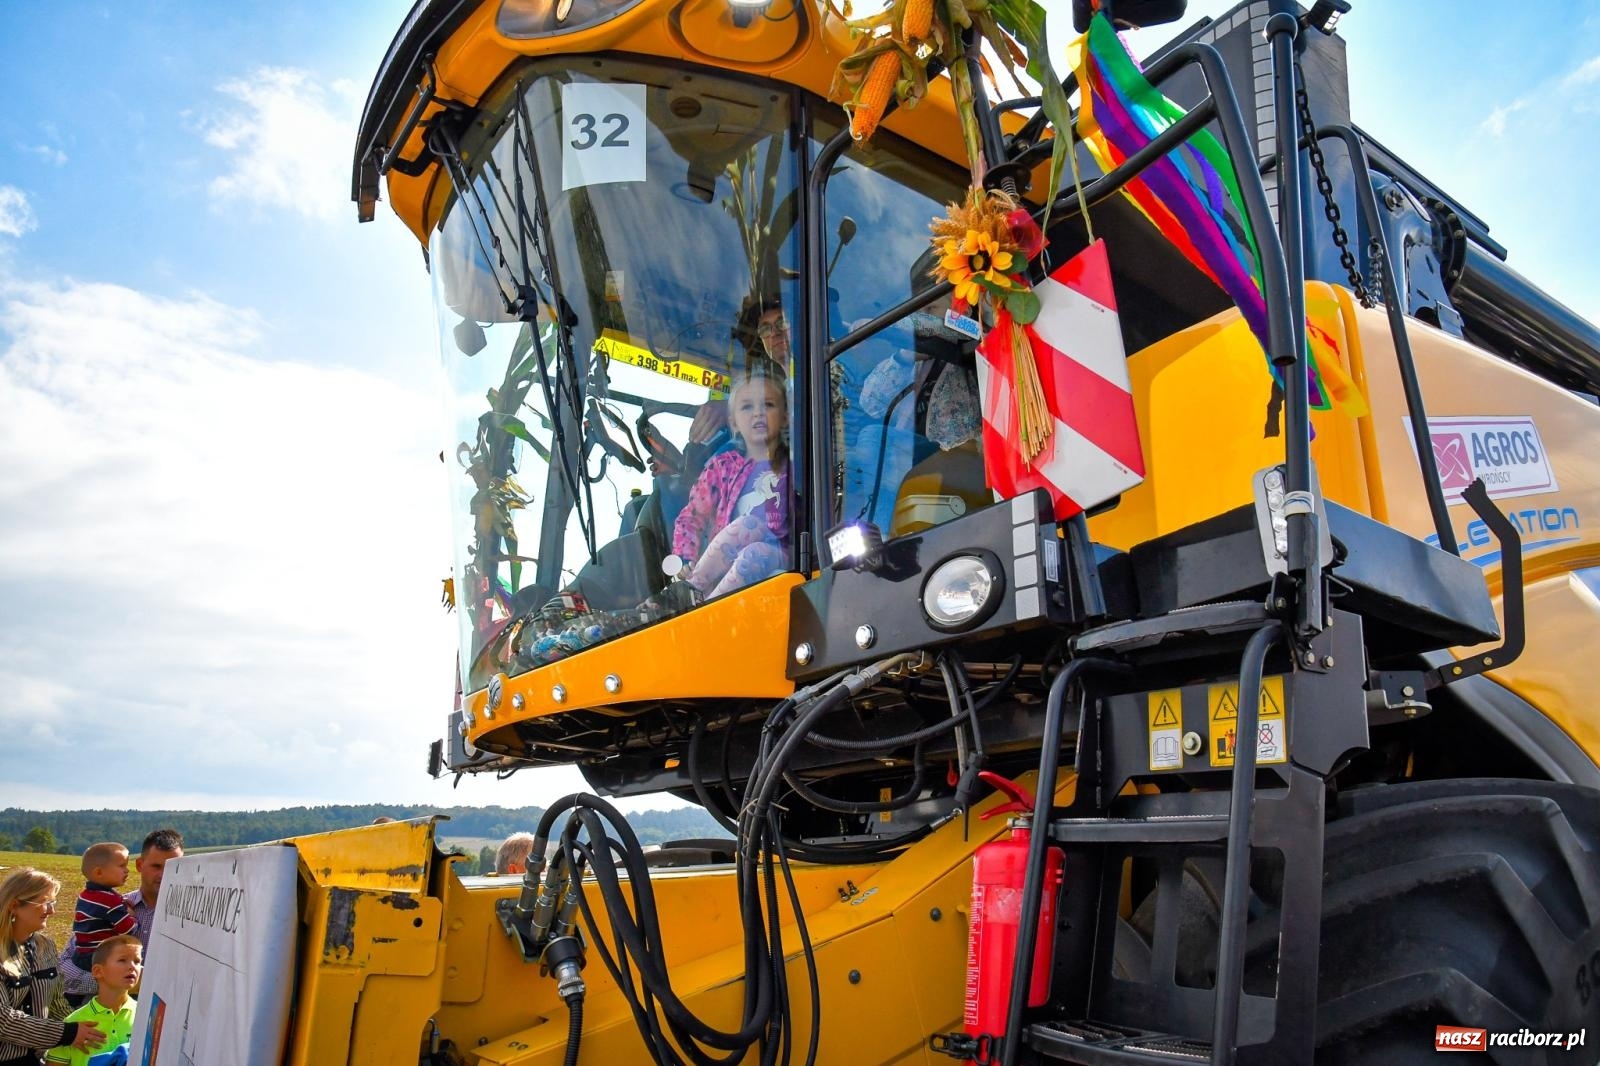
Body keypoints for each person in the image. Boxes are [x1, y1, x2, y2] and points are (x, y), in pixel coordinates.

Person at [670, 367, 790, 599]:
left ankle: (702, 606)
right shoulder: (722, 467)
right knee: (747, 529)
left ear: (785, 417)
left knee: (753, 545)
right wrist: (686, 557)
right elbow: (692, 516)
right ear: (733, 422)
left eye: (768, 405)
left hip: (783, 554)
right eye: (747, 407)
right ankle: (691, 595)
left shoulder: (797, 462)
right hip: (726, 569)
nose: (758, 414)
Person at [59, 830, 183, 1005]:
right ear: (140, 865)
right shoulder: (113, 907)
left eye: (173, 867)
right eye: (156, 866)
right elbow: (64, 966)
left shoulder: (191, 919)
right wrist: (111, 982)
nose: (164, 875)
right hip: (106, 1017)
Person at [0, 867, 104, 1064]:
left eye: (53, 902)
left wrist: (87, 1030)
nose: (52, 910)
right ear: (14, 905)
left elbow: (56, 1003)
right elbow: (3, 1021)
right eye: (45, 903)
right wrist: (68, 1033)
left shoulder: (45, 946)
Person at [44, 936, 139, 1066]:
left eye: (137, 961)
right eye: (122, 960)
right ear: (98, 971)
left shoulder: (146, 1018)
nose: (132, 967)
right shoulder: (73, 1023)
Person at [66, 848, 134, 981]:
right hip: (99, 956)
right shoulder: (109, 900)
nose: (127, 870)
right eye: (122, 866)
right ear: (99, 872)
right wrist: (132, 916)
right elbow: (128, 929)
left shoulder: (85, 895)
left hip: (80, 954)